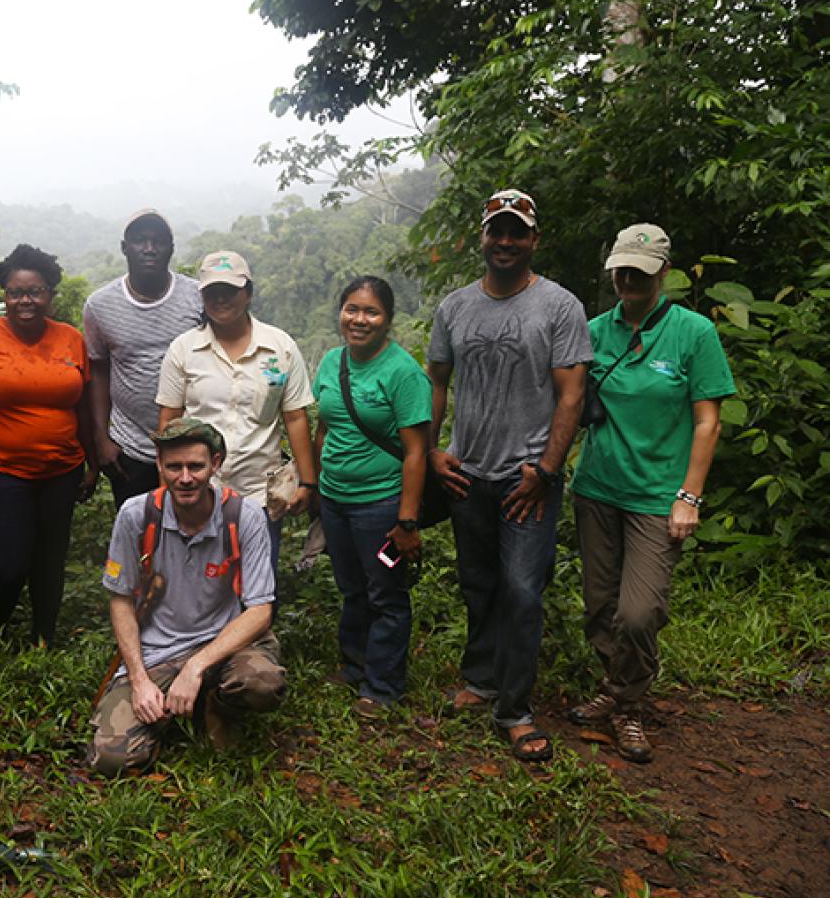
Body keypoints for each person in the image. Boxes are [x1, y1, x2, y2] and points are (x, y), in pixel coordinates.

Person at [427, 189, 591, 763]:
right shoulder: (454, 308)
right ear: (482, 236)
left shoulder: (559, 306)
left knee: (523, 590)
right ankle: (481, 677)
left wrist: (546, 471)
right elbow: (438, 382)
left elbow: (572, 394)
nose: (504, 241)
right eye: (496, 230)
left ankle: (515, 710)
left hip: (529, 478)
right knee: (479, 582)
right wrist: (432, 450)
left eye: (515, 231)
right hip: (467, 472)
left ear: (533, 239)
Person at [567, 224, 734, 763]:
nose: (627, 279)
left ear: (663, 272)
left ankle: (627, 706)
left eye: (639, 271)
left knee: (639, 612)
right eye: (620, 269)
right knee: (600, 606)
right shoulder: (593, 331)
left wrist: (690, 495)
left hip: (657, 496)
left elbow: (708, 421)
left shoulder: (694, 333)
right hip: (596, 487)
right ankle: (615, 690)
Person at [87, 418, 285, 776]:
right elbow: (120, 601)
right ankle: (167, 716)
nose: (185, 478)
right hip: (158, 650)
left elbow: (259, 611)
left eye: (196, 466)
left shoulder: (245, 516)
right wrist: (139, 680)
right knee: (111, 759)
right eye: (174, 466)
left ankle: (217, 705)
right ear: (159, 465)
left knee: (261, 682)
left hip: (224, 642)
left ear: (216, 463)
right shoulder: (136, 515)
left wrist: (195, 667)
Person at [0, 244, 98, 644]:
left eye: (36, 291)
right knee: (7, 565)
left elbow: (82, 408)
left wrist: (92, 463)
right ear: (5, 294)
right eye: (15, 292)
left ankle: (43, 638)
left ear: (50, 294)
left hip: (60, 472)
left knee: (49, 562)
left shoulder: (70, 340)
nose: (25, 300)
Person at [311, 276, 431, 717]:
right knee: (352, 588)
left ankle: (382, 686)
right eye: (351, 309)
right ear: (341, 312)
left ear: (388, 320)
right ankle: (356, 664)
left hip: (381, 502)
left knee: (386, 594)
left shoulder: (403, 373)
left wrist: (407, 520)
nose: (359, 319)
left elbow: (417, 452)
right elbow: (324, 429)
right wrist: (316, 486)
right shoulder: (330, 362)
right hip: (335, 499)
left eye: (371, 311)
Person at [156, 250, 317, 571]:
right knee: (200, 583)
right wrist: (164, 486)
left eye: (229, 290)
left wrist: (308, 483)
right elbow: (168, 420)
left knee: (257, 584)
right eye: (211, 292)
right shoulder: (184, 350)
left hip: (260, 493)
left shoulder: (280, 347)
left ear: (248, 294)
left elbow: (295, 417)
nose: (220, 299)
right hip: (198, 490)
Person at [83, 210, 202, 507]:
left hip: (193, 447)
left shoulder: (197, 296)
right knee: (141, 538)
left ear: (171, 248)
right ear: (125, 247)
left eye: (158, 241)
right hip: (130, 449)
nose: (149, 248)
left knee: (196, 537)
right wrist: (101, 440)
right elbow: (98, 371)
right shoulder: (100, 305)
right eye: (140, 241)